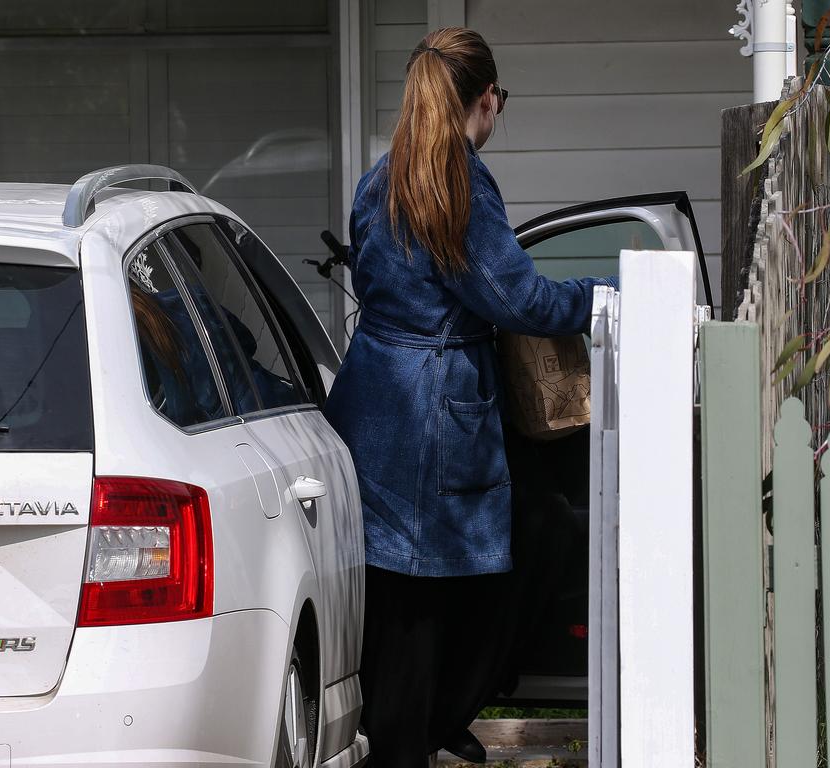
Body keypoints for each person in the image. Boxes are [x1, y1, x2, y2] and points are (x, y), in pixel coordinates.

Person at [322, 26, 617, 768]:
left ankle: (416, 732)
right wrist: (603, 295)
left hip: (373, 395)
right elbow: (515, 297)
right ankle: (414, 738)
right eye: (500, 103)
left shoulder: (380, 176)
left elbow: (382, 282)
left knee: (401, 600)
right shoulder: (458, 177)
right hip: (434, 414)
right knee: (450, 590)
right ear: (486, 98)